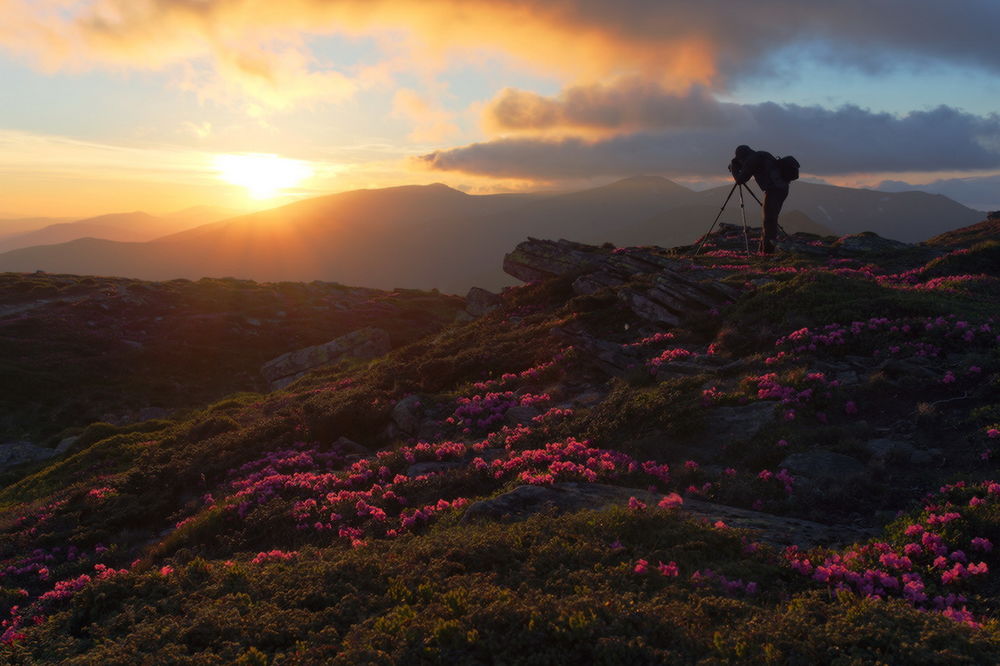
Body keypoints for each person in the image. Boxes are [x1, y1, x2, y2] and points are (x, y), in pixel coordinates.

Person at [729, 144, 789, 254]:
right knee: (770, 219)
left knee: (769, 220)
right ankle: (764, 249)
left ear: (742, 157)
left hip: (774, 190)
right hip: (782, 188)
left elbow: (740, 180)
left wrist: (734, 168)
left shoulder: (752, 160)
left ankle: (767, 252)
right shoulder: (761, 154)